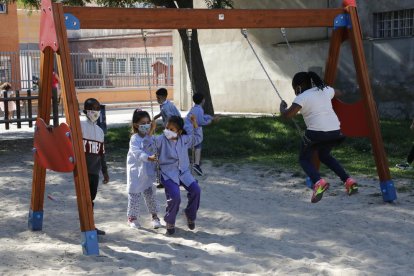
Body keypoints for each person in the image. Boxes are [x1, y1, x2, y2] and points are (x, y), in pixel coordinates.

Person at [279, 71, 358, 203]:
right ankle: (348, 181)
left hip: (317, 133)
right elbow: (339, 92)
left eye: (294, 89)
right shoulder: (325, 90)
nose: (295, 92)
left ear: (298, 87)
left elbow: (288, 115)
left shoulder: (302, 97)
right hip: (335, 131)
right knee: (324, 156)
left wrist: (282, 108)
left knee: (304, 159)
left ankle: (319, 182)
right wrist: (327, 89)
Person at [144, 115, 202, 235]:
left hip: (184, 172)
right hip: (168, 173)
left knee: (196, 190)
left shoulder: (184, 139)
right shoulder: (161, 139)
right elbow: (148, 145)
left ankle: (190, 214)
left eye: (172, 129)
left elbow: (197, 138)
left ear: (179, 132)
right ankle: (170, 220)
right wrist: (151, 130)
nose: (168, 131)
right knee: (175, 196)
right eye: (167, 128)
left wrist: (194, 123)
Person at [126, 109, 162, 229]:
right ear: (136, 124)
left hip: (148, 171)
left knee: (151, 194)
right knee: (134, 195)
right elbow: (137, 152)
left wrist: (152, 131)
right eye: (143, 123)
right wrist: (148, 157)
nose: (146, 125)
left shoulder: (151, 137)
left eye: (148, 122)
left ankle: (155, 216)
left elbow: (154, 145)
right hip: (136, 172)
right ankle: (132, 218)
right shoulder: (134, 138)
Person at [80, 98, 109, 235]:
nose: (95, 111)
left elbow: (101, 153)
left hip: (95, 172)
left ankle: (91, 225)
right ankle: (87, 226)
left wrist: (105, 171)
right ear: (85, 110)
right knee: (85, 200)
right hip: (83, 170)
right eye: (92, 108)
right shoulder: (80, 126)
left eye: (98, 108)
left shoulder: (100, 131)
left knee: (91, 199)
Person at [185, 93, 214, 176]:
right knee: (198, 144)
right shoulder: (199, 109)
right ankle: (196, 165)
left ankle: (195, 164)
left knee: (195, 145)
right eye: (204, 99)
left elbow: (201, 117)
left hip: (187, 129)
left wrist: (210, 117)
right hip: (192, 130)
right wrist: (210, 121)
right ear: (202, 100)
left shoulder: (194, 108)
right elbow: (201, 121)